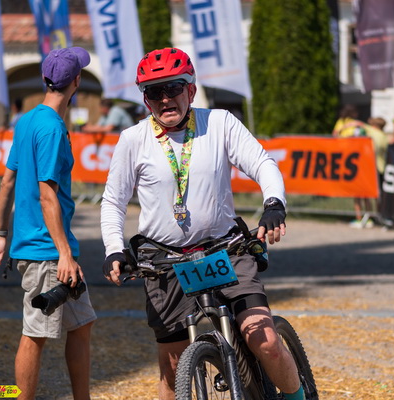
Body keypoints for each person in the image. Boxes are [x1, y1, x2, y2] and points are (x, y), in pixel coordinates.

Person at [100, 48, 305, 400]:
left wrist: (274, 204)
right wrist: (114, 250)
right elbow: (113, 201)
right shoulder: (133, 139)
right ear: (145, 98)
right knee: (172, 369)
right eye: (155, 91)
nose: (166, 98)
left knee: (266, 341)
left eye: (174, 88)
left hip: (225, 250)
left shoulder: (220, 122)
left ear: (191, 90)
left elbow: (262, 163)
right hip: (165, 262)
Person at [0, 47, 96, 400]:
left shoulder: (28, 120)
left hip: (49, 248)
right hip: (47, 251)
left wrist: (0, 233)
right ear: (76, 81)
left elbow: (7, 182)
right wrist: (64, 253)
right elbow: (48, 196)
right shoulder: (51, 129)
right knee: (35, 335)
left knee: (82, 324)